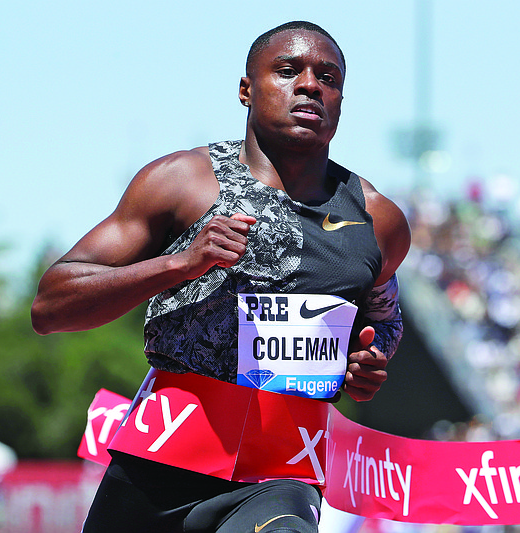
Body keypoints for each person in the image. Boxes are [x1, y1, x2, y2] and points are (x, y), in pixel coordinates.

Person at [32, 20, 411, 533]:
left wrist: (366, 363)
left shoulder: (377, 221)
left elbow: (383, 321)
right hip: (160, 463)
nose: (309, 85)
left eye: (328, 77)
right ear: (245, 89)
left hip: (281, 474)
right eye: (287, 70)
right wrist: (179, 264)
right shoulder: (181, 181)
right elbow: (51, 306)